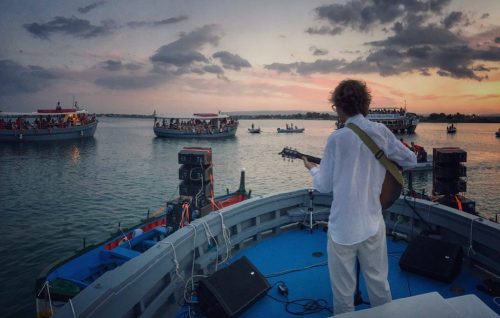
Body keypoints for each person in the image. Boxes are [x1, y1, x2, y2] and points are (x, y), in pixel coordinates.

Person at [303, 79, 417, 315]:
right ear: (365, 104)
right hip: (372, 223)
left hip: (343, 228)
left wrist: (311, 168)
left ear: (339, 107)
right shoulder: (381, 132)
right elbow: (411, 160)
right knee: (379, 285)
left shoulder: (337, 138)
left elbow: (323, 185)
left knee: (343, 294)